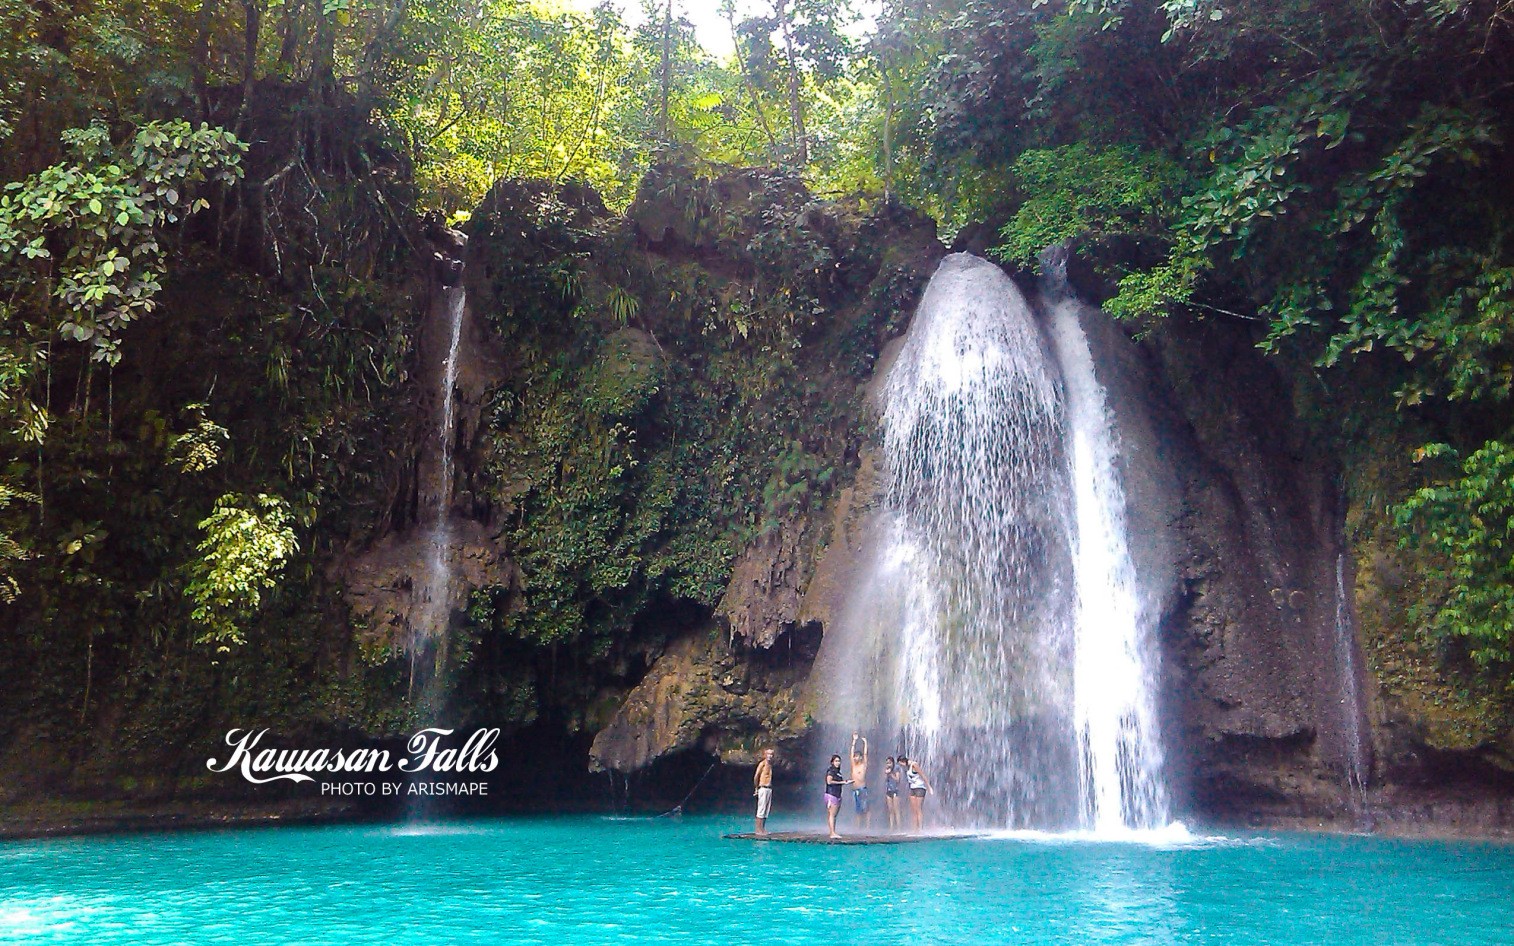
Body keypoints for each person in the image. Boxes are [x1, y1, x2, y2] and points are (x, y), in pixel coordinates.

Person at [899, 754, 933, 832]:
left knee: (918, 809)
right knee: (913, 810)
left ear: (903, 761)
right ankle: (914, 829)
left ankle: (920, 828)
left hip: (920, 788)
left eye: (900, 763)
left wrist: (929, 787)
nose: (900, 766)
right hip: (912, 788)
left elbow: (923, 775)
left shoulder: (914, 765)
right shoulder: (907, 767)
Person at [824, 754, 850, 839]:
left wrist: (846, 782)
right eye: (836, 761)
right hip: (831, 794)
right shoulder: (831, 770)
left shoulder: (838, 772)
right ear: (832, 762)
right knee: (832, 814)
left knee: (834, 815)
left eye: (839, 761)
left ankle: (833, 831)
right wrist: (842, 783)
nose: (838, 763)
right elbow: (829, 781)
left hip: (837, 794)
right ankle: (832, 833)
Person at [849, 732, 871, 832]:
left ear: (861, 757)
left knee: (865, 809)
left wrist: (865, 743)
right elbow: (850, 754)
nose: (855, 758)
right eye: (855, 756)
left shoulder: (863, 766)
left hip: (862, 789)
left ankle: (867, 827)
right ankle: (857, 828)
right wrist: (854, 741)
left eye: (857, 756)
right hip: (855, 789)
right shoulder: (853, 766)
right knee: (857, 810)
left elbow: (865, 754)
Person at [753, 747, 775, 836]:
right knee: (761, 809)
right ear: (765, 755)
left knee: (766, 809)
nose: (770, 756)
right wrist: (756, 788)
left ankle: (763, 829)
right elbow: (756, 776)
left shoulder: (770, 765)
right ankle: (758, 830)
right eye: (768, 754)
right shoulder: (762, 764)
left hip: (769, 788)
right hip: (763, 787)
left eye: (771, 754)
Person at [883, 757, 901, 831]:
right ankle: (891, 828)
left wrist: (890, 773)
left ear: (893, 763)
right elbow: (885, 780)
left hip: (895, 790)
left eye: (890, 763)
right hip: (888, 790)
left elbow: (897, 779)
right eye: (887, 763)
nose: (888, 764)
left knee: (896, 810)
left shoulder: (896, 768)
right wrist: (886, 773)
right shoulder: (886, 769)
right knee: (890, 810)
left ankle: (899, 828)